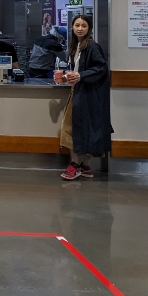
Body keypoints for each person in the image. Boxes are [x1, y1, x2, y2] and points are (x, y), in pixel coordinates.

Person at [56, 14, 112, 180]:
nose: (80, 28)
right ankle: (85, 166)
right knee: (86, 128)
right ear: (72, 27)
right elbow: (77, 70)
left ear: (89, 28)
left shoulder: (92, 47)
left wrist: (81, 76)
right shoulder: (77, 46)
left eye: (84, 26)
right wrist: (66, 77)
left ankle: (75, 165)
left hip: (87, 94)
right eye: (77, 25)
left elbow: (101, 68)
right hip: (81, 92)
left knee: (71, 128)